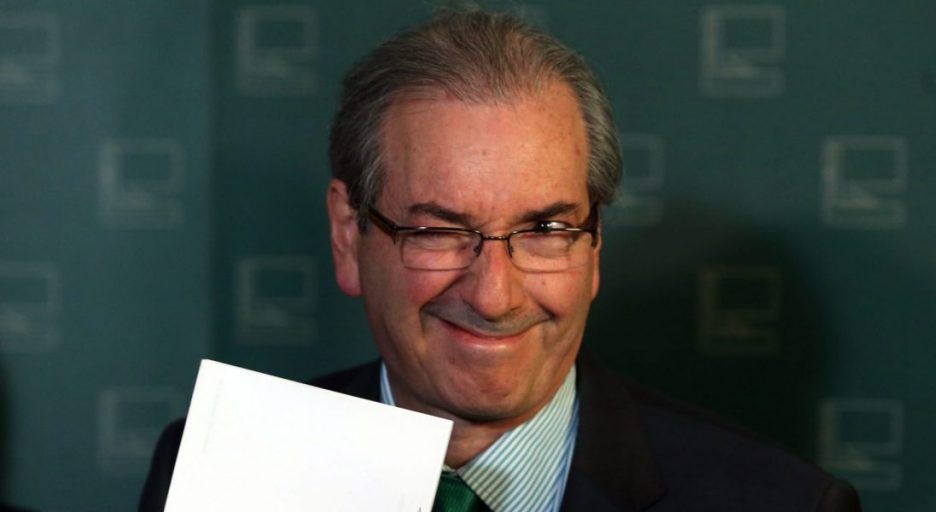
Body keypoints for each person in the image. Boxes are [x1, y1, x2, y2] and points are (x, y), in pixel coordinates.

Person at [140, 6, 861, 512]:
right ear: (347, 235)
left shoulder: (780, 504)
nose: (494, 295)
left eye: (545, 229)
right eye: (438, 231)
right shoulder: (222, 472)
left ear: (595, 245)